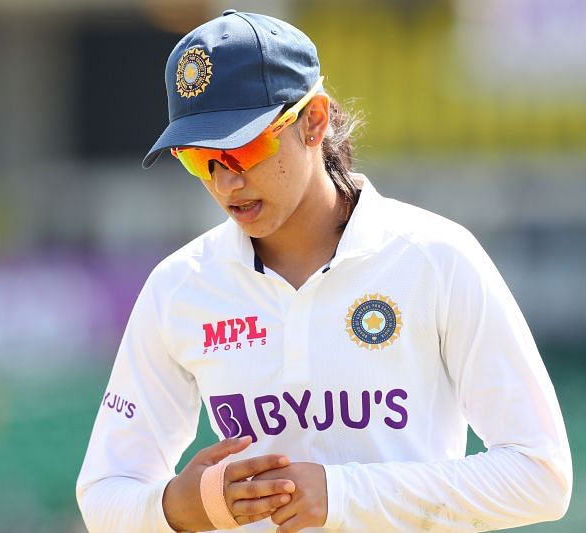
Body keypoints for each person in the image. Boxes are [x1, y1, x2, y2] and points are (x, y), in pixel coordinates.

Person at [76, 10, 572, 533]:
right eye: (200, 159)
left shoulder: (436, 258)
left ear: (313, 120)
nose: (226, 184)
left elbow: (541, 476)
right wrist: (180, 506)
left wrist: (342, 494)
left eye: (243, 148)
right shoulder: (180, 286)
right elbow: (106, 494)